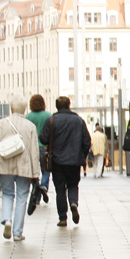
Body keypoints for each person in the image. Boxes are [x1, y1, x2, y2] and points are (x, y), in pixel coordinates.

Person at [0, 98, 41, 242]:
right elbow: (34, 151)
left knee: (7, 193)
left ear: (11, 108)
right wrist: (35, 172)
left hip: (4, 162)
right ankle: (17, 232)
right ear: (24, 109)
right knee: (21, 196)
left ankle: (7, 219)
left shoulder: (1, 123)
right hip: (24, 165)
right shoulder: (30, 126)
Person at [39, 96, 91, 227]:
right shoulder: (79, 121)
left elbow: (43, 138)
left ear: (57, 106)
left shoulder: (51, 120)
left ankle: (62, 217)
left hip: (57, 161)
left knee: (60, 189)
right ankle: (73, 203)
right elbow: (87, 141)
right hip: (74, 160)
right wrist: (82, 155)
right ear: (69, 105)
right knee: (73, 184)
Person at [26, 94, 52, 210]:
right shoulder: (48, 116)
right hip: (45, 147)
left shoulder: (28, 117)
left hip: (32, 148)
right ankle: (44, 186)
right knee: (46, 170)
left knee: (34, 173)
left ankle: (36, 195)